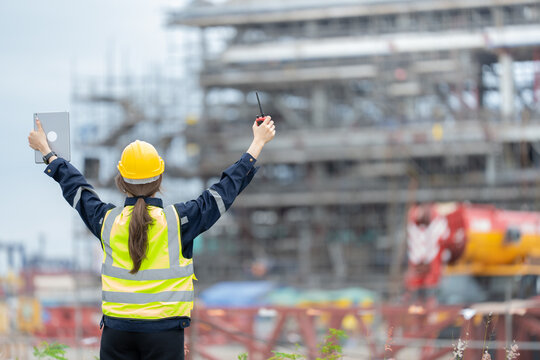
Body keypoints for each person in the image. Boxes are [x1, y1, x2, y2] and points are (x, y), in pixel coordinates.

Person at [28, 116, 276, 360]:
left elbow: (77, 189)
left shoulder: (107, 222)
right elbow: (223, 191)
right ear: (160, 177)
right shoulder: (179, 222)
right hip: (164, 335)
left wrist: (48, 153)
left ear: (121, 180)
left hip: (117, 334)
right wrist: (257, 143)